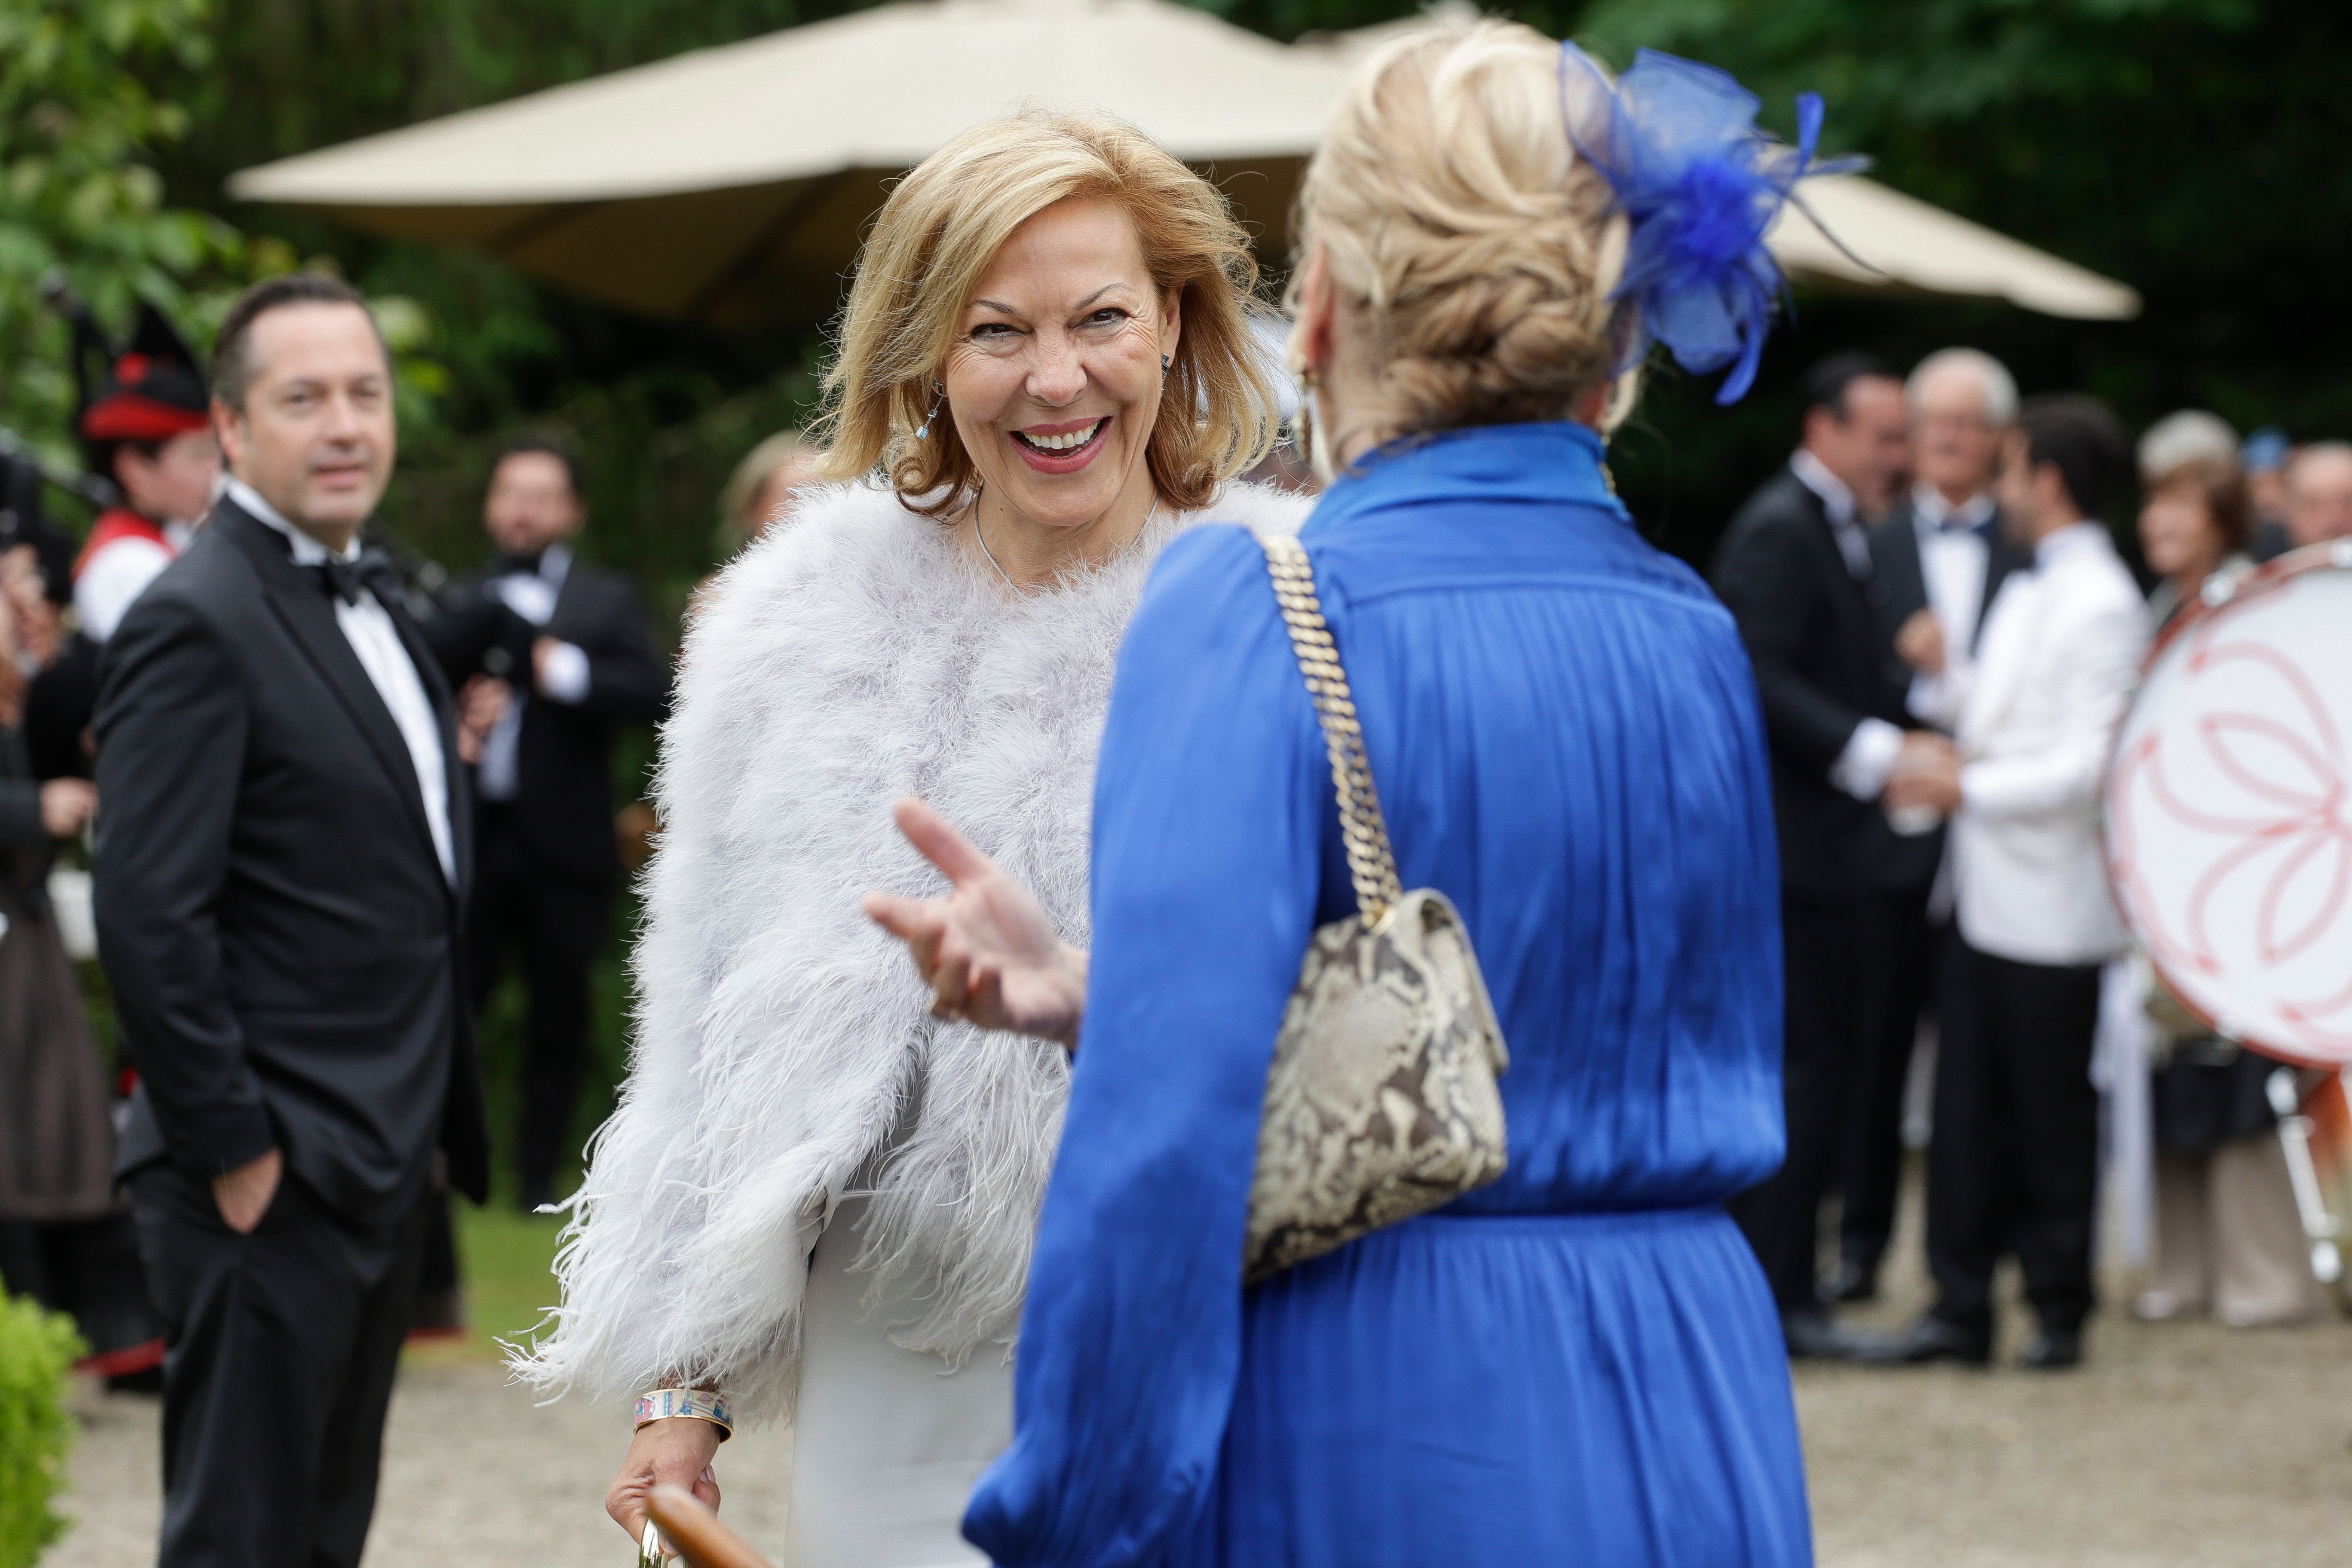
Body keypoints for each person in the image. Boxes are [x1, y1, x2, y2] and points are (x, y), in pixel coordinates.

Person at [872, 26, 1823, 1563]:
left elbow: (1163, 1152)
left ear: (1311, 309)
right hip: (1696, 1391)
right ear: (1616, 338)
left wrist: (1072, 1505)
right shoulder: (1693, 630)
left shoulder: (1248, 603)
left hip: (1390, 1406)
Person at [512, 111, 1303, 1564]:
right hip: (893, 1353)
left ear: (1180, 323)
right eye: (996, 328)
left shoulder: (1287, 610)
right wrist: (684, 1376)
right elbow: (700, 1021)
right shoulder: (791, 622)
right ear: (925, 351)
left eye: (1101, 319)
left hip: (1209, 1334)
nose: (1055, 378)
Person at [93, 273, 490, 1567]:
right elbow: (150, 908)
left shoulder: (380, 600)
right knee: (240, 1543)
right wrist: (237, 1150)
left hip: (375, 1150)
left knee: (323, 1536)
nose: (343, 425)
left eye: (365, 394)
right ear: (230, 426)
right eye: (302, 396)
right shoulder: (195, 616)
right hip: (265, 1166)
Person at [1880, 395, 2147, 1369]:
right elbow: (1996, 709)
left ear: (2045, 481)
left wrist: (1966, 786)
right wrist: (1937, 680)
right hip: (1981, 891)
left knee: (2045, 1114)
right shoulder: (2035, 586)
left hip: (2049, 906)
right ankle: (1959, 1302)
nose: (1997, 489)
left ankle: (2056, 1303)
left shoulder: (2102, 600)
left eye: (2008, 471)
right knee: (1961, 1110)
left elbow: (2089, 763)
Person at [1710, 352, 1947, 1356]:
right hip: (1793, 857)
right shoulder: (1777, 527)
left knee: (1824, 1070)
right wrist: (1877, 752)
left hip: (1830, 857)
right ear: (1825, 430)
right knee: (1800, 1074)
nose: (1898, 456)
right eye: (1884, 435)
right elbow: (1753, 672)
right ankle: (1776, 1295)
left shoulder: (1838, 525)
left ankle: (1794, 1281)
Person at [1829, 347, 2030, 1305]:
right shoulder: (1868, 538)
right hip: (1892, 830)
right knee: (1876, 1047)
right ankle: (1860, 1247)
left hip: (2004, 831)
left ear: (1998, 440)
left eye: (1966, 423)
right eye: (1932, 422)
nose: (1946, 438)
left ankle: (1988, 1259)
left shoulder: (2035, 546)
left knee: (1994, 1055)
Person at [425, 438, 666, 1212]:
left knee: (557, 1014)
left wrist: (555, 670)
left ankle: (536, 1177)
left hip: (564, 841)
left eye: (541, 493)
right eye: (509, 491)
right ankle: (440, 1166)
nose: (523, 507)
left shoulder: (605, 597)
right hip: (472, 833)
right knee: (452, 999)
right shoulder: (454, 596)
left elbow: (655, 691)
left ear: (572, 511)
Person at [2124, 450, 2313, 1327]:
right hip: (2166, 871)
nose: (2160, 525)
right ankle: (2188, 1263)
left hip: (2243, 872)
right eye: (2154, 507)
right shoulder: (2163, 607)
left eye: (2181, 510)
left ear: (2225, 520)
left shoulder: (2250, 605)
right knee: (2171, 1064)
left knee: (2241, 1069)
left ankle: (2265, 1270)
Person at [2266, 440, 2352, 559]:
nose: (2331, 520)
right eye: (2313, 505)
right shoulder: (2259, 574)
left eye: (2347, 503)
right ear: (2288, 512)